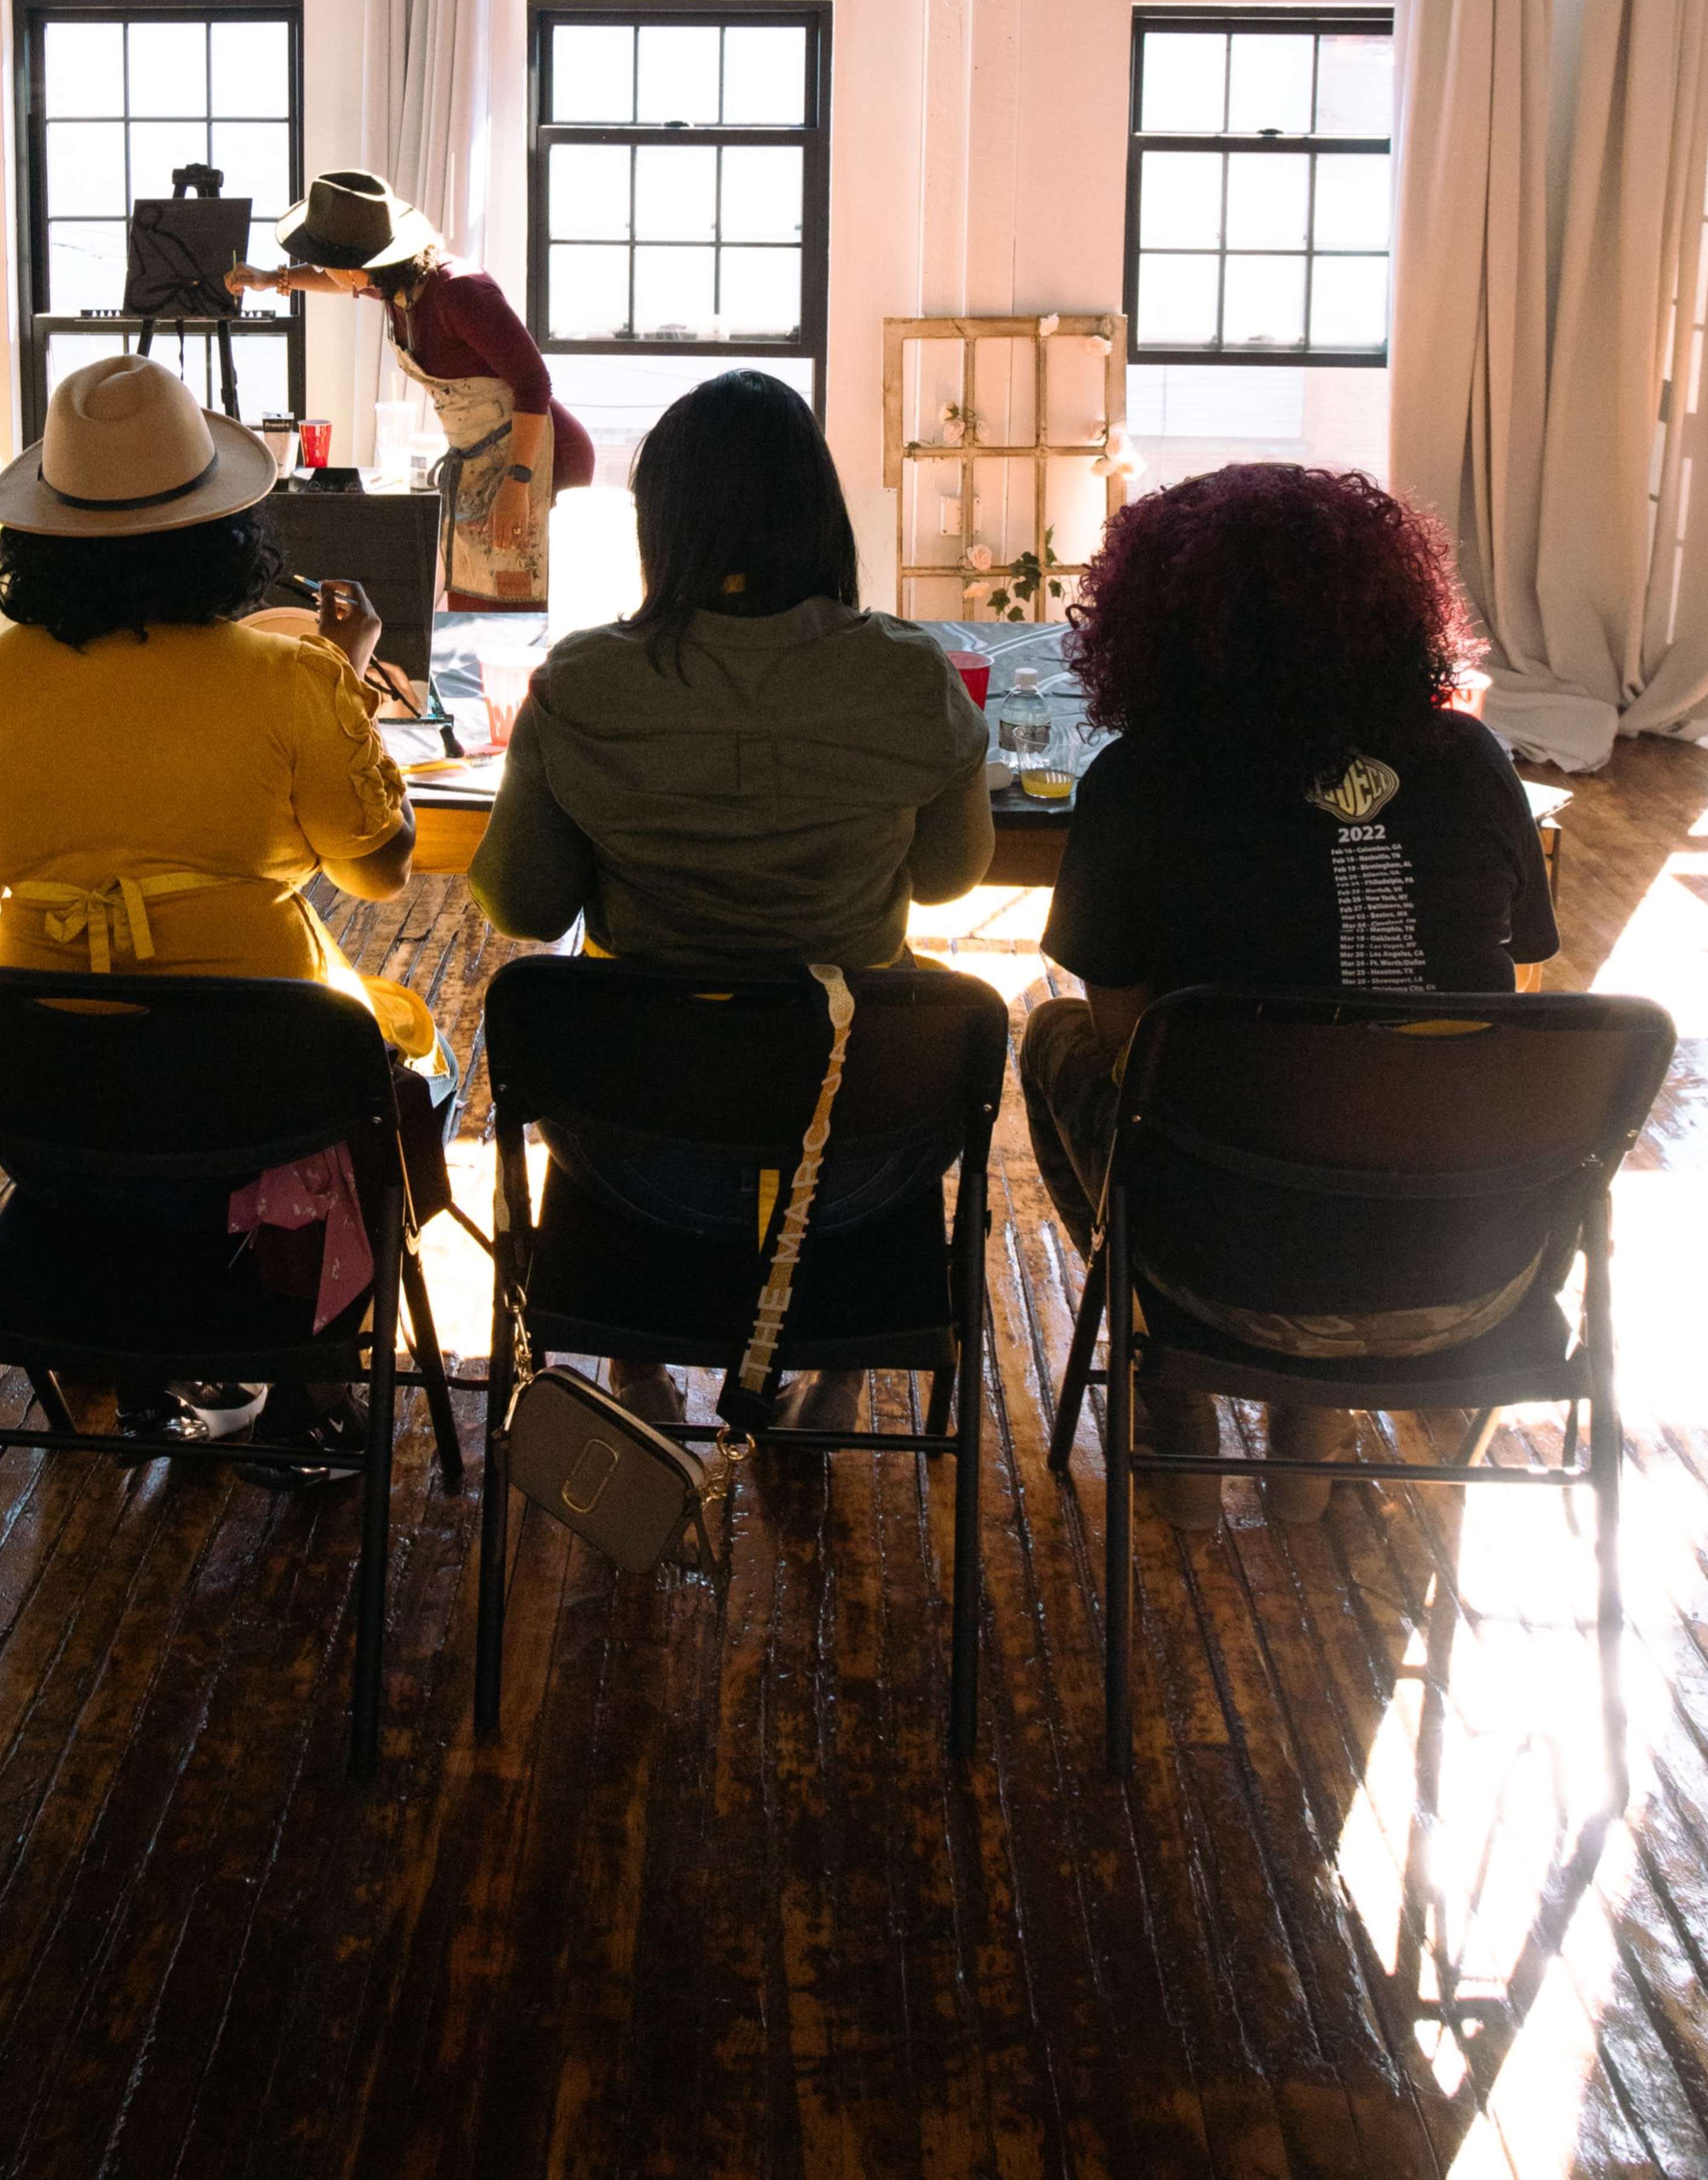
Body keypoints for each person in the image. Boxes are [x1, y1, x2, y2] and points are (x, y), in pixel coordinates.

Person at [0, 355, 448, 1475]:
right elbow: (379, 871)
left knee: (134, 1089)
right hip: (262, 1116)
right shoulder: (290, 683)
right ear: (227, 533)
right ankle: (313, 1382)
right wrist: (347, 683)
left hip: (54, 1123)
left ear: (36, 537)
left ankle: (139, 1364)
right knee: (399, 1079)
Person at [1019, 461, 1559, 1526]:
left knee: (1056, 1039)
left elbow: (1130, 1053)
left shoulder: (1139, 780)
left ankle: (1173, 1387)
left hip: (1227, 1271)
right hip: (1474, 1271)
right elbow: (1521, 987)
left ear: (1155, 626)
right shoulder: (1469, 759)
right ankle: (1313, 1428)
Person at [469, 367, 994, 1430]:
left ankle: (636, 1371)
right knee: (876, 1025)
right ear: (820, 512)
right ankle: (840, 1374)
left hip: (632, 1151)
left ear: (663, 523)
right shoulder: (911, 676)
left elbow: (524, 907)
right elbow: (949, 878)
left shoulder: (580, 683)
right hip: (856, 1155)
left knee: (611, 1011)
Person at [228, 169, 590, 612]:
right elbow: (335, 282)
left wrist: (518, 483)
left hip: (541, 457)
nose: (322, 269)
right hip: (481, 460)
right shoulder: (396, 287)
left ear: (357, 267)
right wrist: (270, 279)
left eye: (326, 261)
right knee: (472, 601)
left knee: (517, 611)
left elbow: (534, 383)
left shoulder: (459, 292)